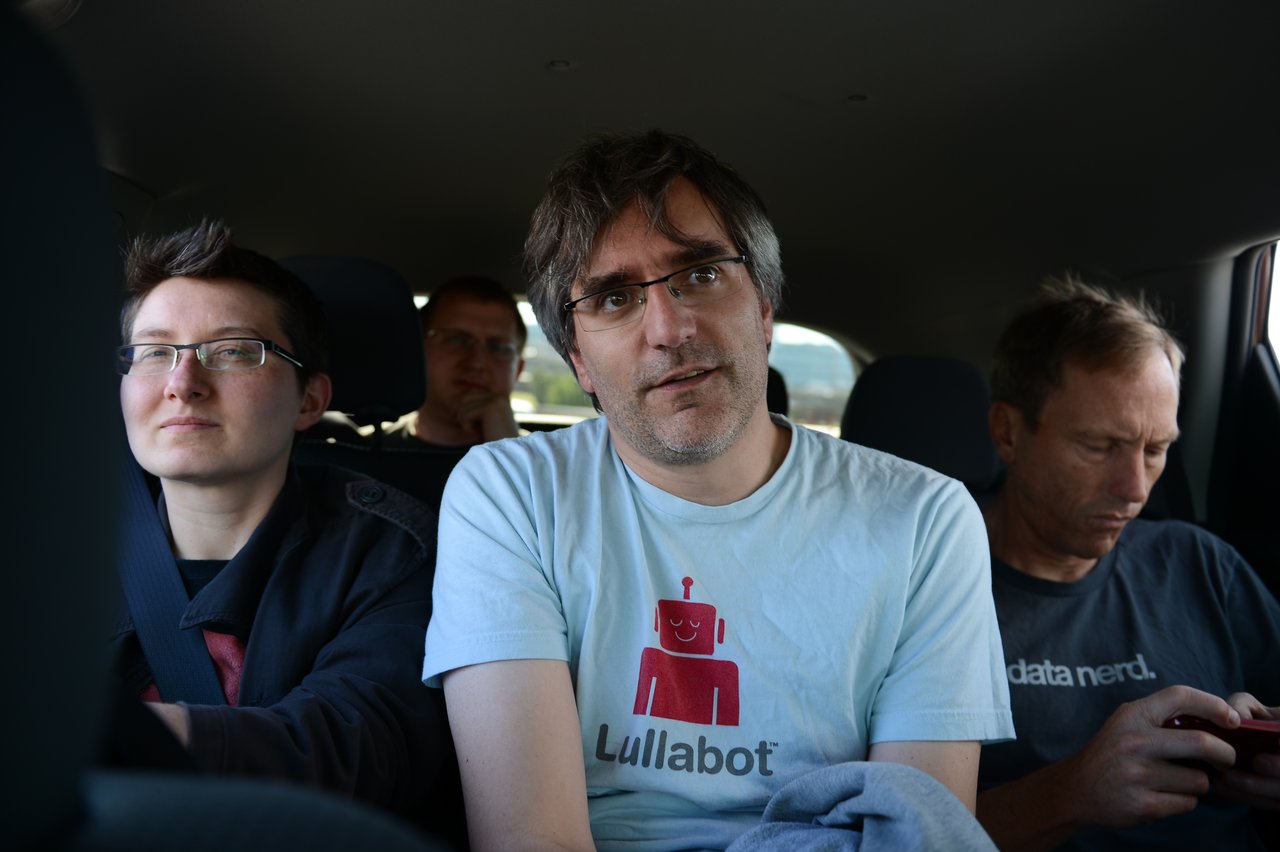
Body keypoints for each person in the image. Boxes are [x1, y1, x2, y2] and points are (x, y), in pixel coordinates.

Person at [423, 129, 1015, 851]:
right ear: (577, 359)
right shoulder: (509, 494)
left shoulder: (926, 520)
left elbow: (914, 833)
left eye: (700, 274)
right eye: (613, 298)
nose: (669, 329)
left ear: (764, 308)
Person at [113, 219, 450, 828]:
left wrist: (73, 729)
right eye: (154, 352)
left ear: (309, 401)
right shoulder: (48, 543)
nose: (182, 384)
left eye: (235, 350)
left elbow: (357, 753)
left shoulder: (391, 551)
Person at [975, 276, 1280, 851]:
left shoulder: (1200, 564)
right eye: (1097, 446)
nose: (1133, 488)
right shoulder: (923, 586)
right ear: (1008, 432)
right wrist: (1068, 794)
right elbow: (883, 832)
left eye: (1156, 449)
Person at [382, 275, 526, 447]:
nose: (476, 363)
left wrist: (510, 449)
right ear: (416, 354)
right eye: (456, 340)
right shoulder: (357, 456)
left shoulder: (552, 466)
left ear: (518, 369)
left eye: (498, 348)